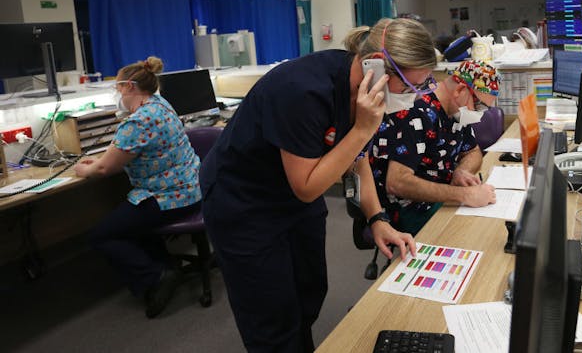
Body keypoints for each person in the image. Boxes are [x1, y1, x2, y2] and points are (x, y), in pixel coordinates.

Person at [199, 18, 437, 352]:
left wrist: (377, 218)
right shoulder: (302, 90)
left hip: (295, 195)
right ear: (376, 66)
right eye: (410, 88)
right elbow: (308, 187)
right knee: (272, 318)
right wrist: (362, 130)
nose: (414, 98)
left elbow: (359, 159)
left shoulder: (364, 92)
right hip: (244, 202)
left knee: (310, 291)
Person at [73, 56, 201, 318]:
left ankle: (157, 276)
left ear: (130, 86)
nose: (117, 93)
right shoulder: (161, 105)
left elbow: (104, 169)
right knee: (130, 220)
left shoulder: (138, 122)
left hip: (168, 198)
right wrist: (103, 159)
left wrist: (85, 168)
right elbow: (130, 153)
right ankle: (166, 265)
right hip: (191, 189)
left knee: (101, 235)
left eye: (118, 87)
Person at [369, 60, 500, 235]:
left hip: (441, 195)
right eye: (479, 106)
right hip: (407, 207)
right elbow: (397, 183)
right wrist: (464, 195)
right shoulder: (415, 110)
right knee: (473, 233)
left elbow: (473, 151)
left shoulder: (456, 110)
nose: (479, 114)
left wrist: (462, 171)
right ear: (460, 90)